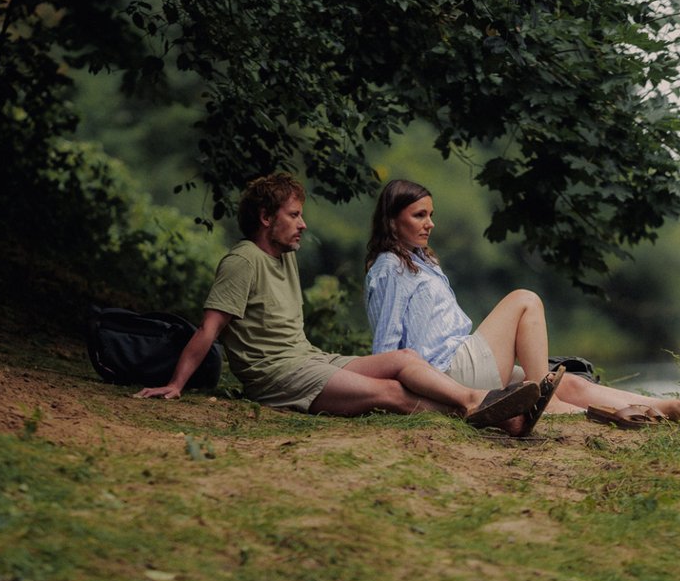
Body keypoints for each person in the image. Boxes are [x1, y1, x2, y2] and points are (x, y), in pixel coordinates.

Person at [138, 173, 555, 436]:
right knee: (391, 393)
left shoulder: (283, 257)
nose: (303, 224)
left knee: (403, 359)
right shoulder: (242, 261)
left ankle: (482, 403)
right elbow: (209, 329)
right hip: (278, 375)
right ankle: (483, 408)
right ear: (266, 218)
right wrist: (177, 384)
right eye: (294, 215)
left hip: (308, 358)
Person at [362, 179, 680, 424]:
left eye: (431, 215)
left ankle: (667, 408)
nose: (430, 224)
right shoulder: (389, 267)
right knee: (524, 300)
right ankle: (549, 404)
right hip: (446, 371)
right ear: (392, 221)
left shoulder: (420, 260)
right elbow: (386, 347)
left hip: (462, 365)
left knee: (570, 383)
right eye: (419, 216)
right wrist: (391, 396)